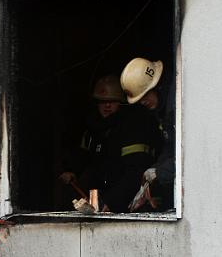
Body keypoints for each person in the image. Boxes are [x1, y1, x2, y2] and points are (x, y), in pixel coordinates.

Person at [120, 57, 176, 211]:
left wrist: (160, 172)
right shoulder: (163, 107)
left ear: (156, 86)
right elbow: (172, 146)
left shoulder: (176, 104)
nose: (142, 102)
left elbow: (189, 156)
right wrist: (153, 170)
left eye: (144, 95)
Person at [58, 74, 125, 200]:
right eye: (103, 101)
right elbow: (81, 158)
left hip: (119, 198)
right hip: (93, 197)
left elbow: (133, 170)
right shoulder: (91, 130)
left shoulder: (127, 129)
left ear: (120, 103)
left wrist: (114, 199)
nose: (107, 106)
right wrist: (72, 172)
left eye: (112, 101)